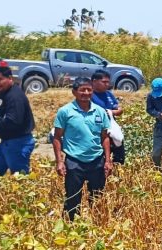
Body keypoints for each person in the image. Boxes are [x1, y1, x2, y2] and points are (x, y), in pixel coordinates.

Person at [52, 77, 113, 220]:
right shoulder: (65, 112)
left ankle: (97, 226)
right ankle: (71, 227)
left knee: (97, 198)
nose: (86, 93)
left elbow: (105, 137)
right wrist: (60, 162)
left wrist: (108, 160)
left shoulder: (100, 111)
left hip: (97, 160)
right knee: (72, 198)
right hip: (74, 162)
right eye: (82, 90)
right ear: (74, 92)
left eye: (89, 90)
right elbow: (57, 138)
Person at [0, 64, 36, 180]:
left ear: (10, 78)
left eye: (0, 79)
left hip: (19, 143)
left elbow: (14, 121)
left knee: (19, 179)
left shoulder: (15, 96)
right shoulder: (3, 93)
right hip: (7, 142)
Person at [90, 70, 125, 164]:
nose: (107, 84)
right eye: (104, 82)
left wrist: (110, 112)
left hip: (111, 128)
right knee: (102, 157)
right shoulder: (89, 96)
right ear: (94, 81)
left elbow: (119, 109)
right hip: (97, 131)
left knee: (119, 154)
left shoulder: (109, 94)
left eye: (108, 82)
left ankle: (118, 171)